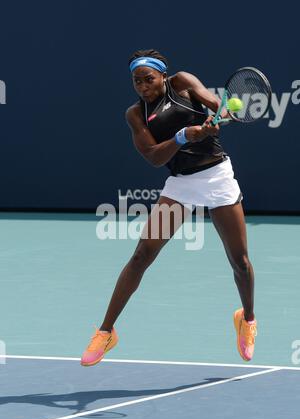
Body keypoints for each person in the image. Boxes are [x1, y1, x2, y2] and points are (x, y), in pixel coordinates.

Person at [81, 49, 257, 367]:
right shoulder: (135, 114)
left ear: (163, 75)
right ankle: (106, 332)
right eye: (137, 81)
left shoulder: (184, 82)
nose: (143, 86)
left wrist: (216, 115)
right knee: (141, 255)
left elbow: (212, 103)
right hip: (181, 186)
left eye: (148, 79)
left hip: (217, 178)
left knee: (240, 262)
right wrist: (182, 136)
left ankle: (247, 319)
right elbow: (153, 157)